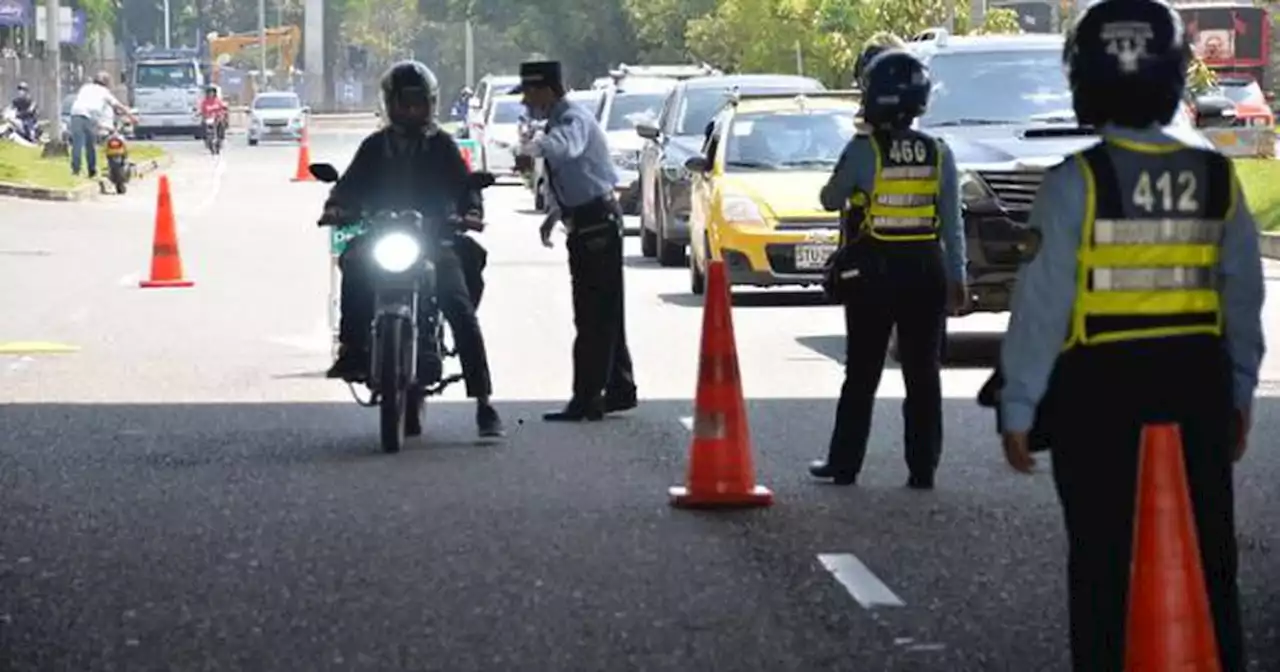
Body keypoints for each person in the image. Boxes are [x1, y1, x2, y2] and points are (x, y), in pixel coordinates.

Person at [996, 0, 1262, 669]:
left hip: (1097, 392)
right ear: (1175, 76)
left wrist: (1019, 406)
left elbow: (1041, 305)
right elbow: (1243, 300)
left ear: (1082, 79)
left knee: (1101, 558)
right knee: (1210, 557)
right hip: (1196, 383)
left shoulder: (1073, 183)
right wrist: (1238, 393)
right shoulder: (1216, 179)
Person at [809, 49, 967, 490]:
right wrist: (959, 279)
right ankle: (923, 469)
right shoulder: (939, 152)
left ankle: (844, 464)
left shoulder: (863, 151)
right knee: (923, 372)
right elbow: (952, 223)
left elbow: (829, 199)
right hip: (926, 271)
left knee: (862, 371)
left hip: (875, 272)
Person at [323, 60, 504, 438]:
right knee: (353, 264)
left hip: (435, 240)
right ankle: (352, 349)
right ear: (390, 104)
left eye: (417, 103)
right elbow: (350, 184)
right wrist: (336, 206)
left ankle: (484, 402)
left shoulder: (442, 146)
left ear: (430, 104)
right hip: (381, 237)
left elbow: (465, 185)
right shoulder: (374, 147)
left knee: (458, 304)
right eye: (403, 103)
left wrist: (470, 210)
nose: (410, 111)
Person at [511, 61, 637, 422]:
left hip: (596, 225)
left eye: (530, 94)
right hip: (587, 221)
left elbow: (565, 149)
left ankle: (586, 399)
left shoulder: (571, 120)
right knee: (607, 312)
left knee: (592, 315)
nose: (527, 102)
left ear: (547, 90)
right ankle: (618, 389)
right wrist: (553, 216)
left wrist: (531, 147)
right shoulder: (557, 120)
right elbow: (572, 176)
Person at [67, 72, 133, 178]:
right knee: (90, 144)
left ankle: (76, 170)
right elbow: (117, 105)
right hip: (89, 116)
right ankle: (91, 170)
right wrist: (130, 115)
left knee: (77, 144)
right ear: (106, 83)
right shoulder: (104, 92)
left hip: (75, 113)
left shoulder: (85, 87)